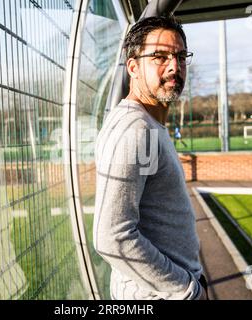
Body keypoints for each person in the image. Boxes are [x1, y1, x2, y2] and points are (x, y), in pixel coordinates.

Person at [93, 16, 207, 300]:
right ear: (133, 67)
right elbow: (111, 239)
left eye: (180, 56)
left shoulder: (148, 124)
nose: (174, 66)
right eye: (159, 56)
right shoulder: (134, 130)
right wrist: (185, 288)